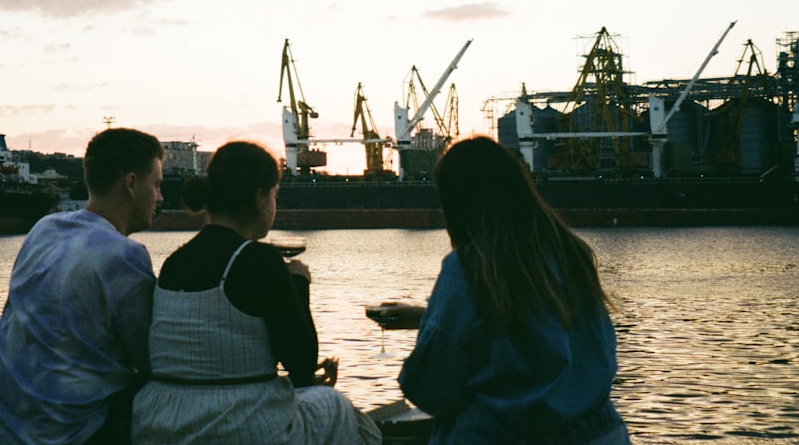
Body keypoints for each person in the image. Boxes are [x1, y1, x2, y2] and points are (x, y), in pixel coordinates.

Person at [132, 141, 381, 444]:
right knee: (340, 409)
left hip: (162, 421)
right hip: (234, 423)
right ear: (261, 197)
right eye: (276, 194)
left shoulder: (173, 262)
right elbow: (302, 364)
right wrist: (299, 284)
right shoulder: (259, 259)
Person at [399, 136, 629, 444]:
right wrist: (425, 316)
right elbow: (543, 334)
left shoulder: (468, 266)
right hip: (600, 433)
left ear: (456, 203)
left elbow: (430, 388)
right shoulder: (572, 253)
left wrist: (432, 330)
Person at [0, 128, 165, 445]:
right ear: (131, 184)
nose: (160, 197)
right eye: (156, 184)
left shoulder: (44, 229)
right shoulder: (124, 256)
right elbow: (149, 361)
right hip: (63, 436)